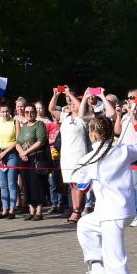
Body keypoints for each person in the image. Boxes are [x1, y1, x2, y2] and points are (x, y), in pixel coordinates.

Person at [71, 99, 137, 274]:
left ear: (94, 134)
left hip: (111, 215)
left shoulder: (91, 157)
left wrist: (80, 176)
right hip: (122, 211)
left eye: (90, 131)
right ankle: (96, 265)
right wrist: (135, 121)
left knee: (116, 263)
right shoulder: (121, 151)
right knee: (84, 225)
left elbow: (80, 185)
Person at [56, 90, 89, 223]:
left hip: (79, 154)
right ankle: (75, 209)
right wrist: (55, 95)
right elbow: (51, 108)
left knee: (79, 183)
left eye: (75, 103)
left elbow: (79, 106)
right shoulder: (66, 117)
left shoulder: (83, 117)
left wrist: (70, 94)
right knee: (72, 184)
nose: (73, 104)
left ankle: (77, 211)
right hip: (66, 155)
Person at [16, 103, 50, 221]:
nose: (29, 114)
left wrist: (26, 152)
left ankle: (39, 211)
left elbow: (40, 141)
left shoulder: (39, 124)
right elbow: (18, 143)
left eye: (32, 112)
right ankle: (31, 210)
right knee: (26, 184)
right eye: (27, 112)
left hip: (36, 159)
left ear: (35, 112)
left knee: (38, 185)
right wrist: (21, 153)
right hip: (24, 160)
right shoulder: (24, 126)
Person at [0, 100, 20, 219]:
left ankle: (12, 210)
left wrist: (5, 152)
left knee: (11, 183)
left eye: (7, 111)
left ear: (10, 111)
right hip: (0, 155)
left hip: (11, 153)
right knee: (2, 184)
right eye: (3, 111)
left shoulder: (14, 122)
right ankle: (5, 209)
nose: (5, 113)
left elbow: (17, 140)